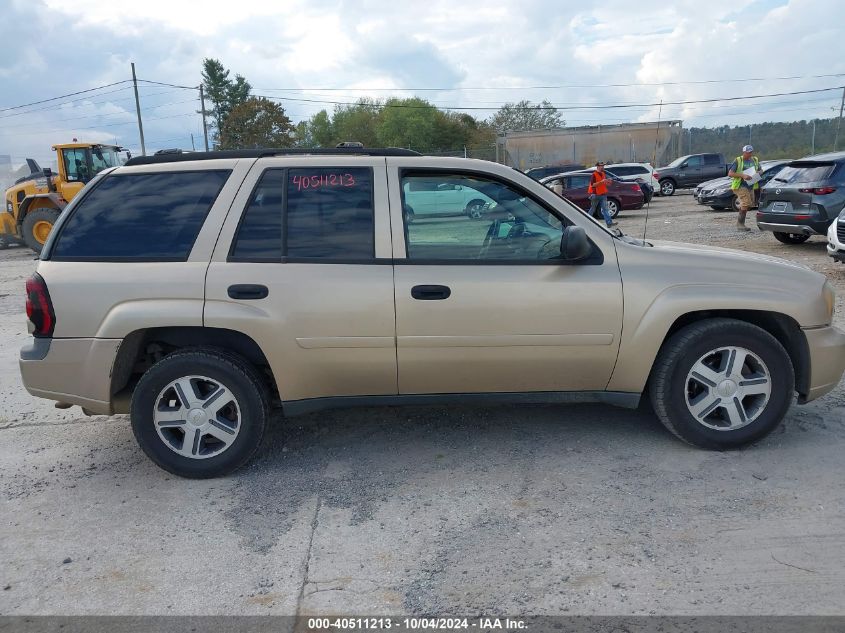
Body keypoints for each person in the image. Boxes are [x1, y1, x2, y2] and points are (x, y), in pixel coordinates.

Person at [727, 144, 761, 231]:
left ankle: (741, 223)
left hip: (750, 185)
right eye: (747, 152)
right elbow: (730, 173)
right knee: (746, 202)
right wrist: (743, 175)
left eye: (750, 152)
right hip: (740, 185)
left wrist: (758, 173)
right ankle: (740, 224)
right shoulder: (738, 160)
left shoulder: (755, 160)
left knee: (749, 204)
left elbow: (761, 170)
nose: (749, 154)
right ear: (744, 152)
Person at [588, 162, 617, 228]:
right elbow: (593, 185)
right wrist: (601, 182)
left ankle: (609, 223)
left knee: (605, 209)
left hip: (603, 194)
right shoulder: (594, 174)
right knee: (593, 209)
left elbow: (605, 184)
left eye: (603, 166)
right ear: (597, 167)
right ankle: (586, 221)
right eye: (601, 166)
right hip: (595, 195)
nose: (603, 167)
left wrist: (608, 182)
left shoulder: (603, 174)